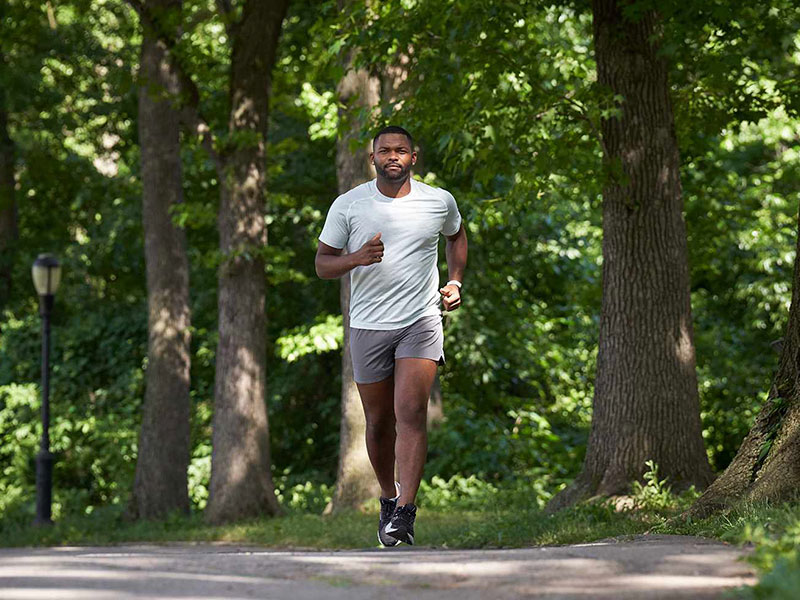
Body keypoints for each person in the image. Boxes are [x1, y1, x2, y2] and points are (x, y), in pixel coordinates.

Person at [315, 125, 468, 546]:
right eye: (385, 151)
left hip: (420, 320)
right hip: (368, 325)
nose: (393, 156)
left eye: (401, 150)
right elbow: (322, 265)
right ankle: (388, 496)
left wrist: (455, 281)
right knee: (379, 421)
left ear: (413, 158)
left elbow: (456, 236)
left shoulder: (439, 201)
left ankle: (405, 511)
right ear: (373, 159)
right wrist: (356, 258)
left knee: (410, 412)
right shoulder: (350, 206)